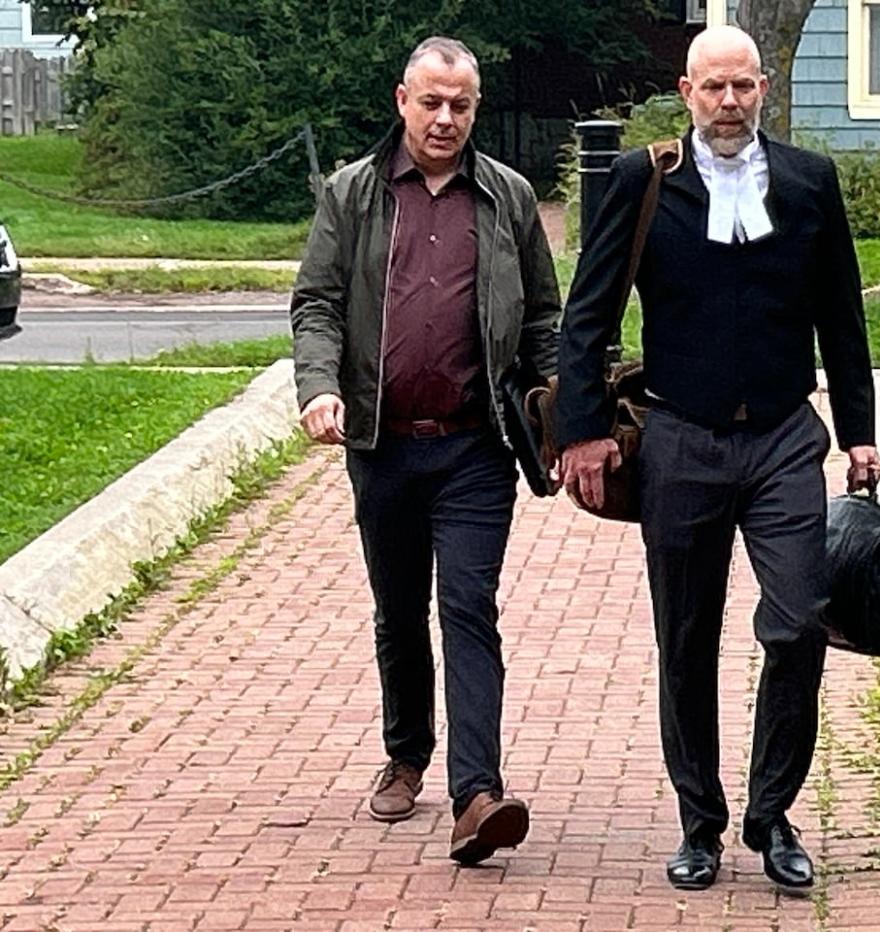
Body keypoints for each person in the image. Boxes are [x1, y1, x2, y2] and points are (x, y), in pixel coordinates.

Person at [556, 25, 880, 891]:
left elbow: (842, 316)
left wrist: (859, 430)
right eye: (713, 88)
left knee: (799, 617)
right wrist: (582, 429)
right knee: (686, 635)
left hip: (782, 438)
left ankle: (771, 815)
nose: (728, 102)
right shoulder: (644, 181)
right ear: (687, 90)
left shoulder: (811, 182)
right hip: (680, 439)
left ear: (764, 89)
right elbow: (587, 315)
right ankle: (699, 821)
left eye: (742, 87)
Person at [290, 36, 560, 866]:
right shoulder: (353, 194)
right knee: (400, 612)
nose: (446, 119)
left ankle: (476, 794)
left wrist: (565, 415)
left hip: (476, 448)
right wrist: (319, 386)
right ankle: (407, 754)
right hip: (381, 445)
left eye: (462, 106)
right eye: (432, 102)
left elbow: (546, 321)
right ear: (403, 100)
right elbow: (318, 303)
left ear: (475, 110)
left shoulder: (509, 198)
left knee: (468, 609)